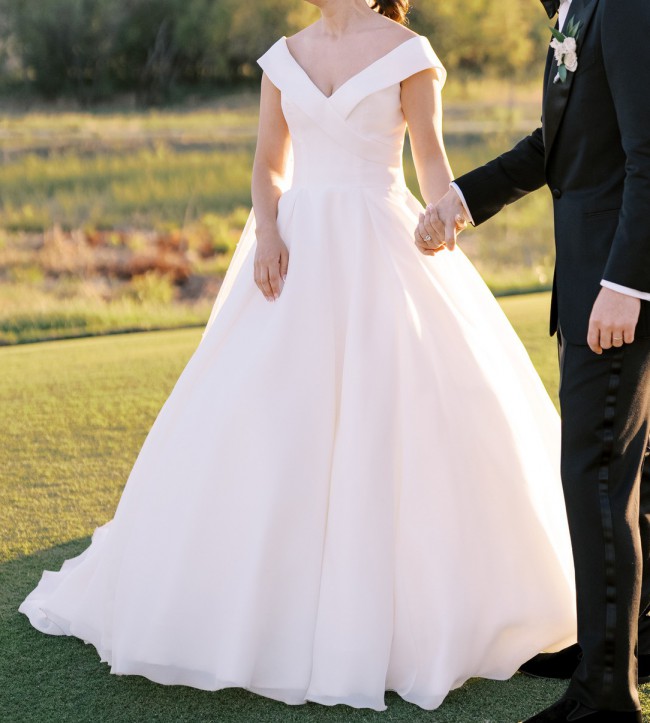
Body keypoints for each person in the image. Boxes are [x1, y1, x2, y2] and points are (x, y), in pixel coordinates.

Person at [19, 0, 576, 713]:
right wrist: (270, 232)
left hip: (383, 246)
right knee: (268, 420)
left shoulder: (410, 53)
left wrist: (443, 218)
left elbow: (431, 161)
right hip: (296, 249)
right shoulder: (283, 58)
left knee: (404, 411)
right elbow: (267, 166)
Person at [422, 0, 650, 721]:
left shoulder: (624, 6)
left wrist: (626, 284)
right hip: (591, 278)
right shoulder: (579, 10)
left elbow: (648, 154)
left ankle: (605, 693)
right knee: (626, 475)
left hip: (614, 289)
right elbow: (561, 143)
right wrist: (463, 198)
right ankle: (620, 645)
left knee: (596, 473)